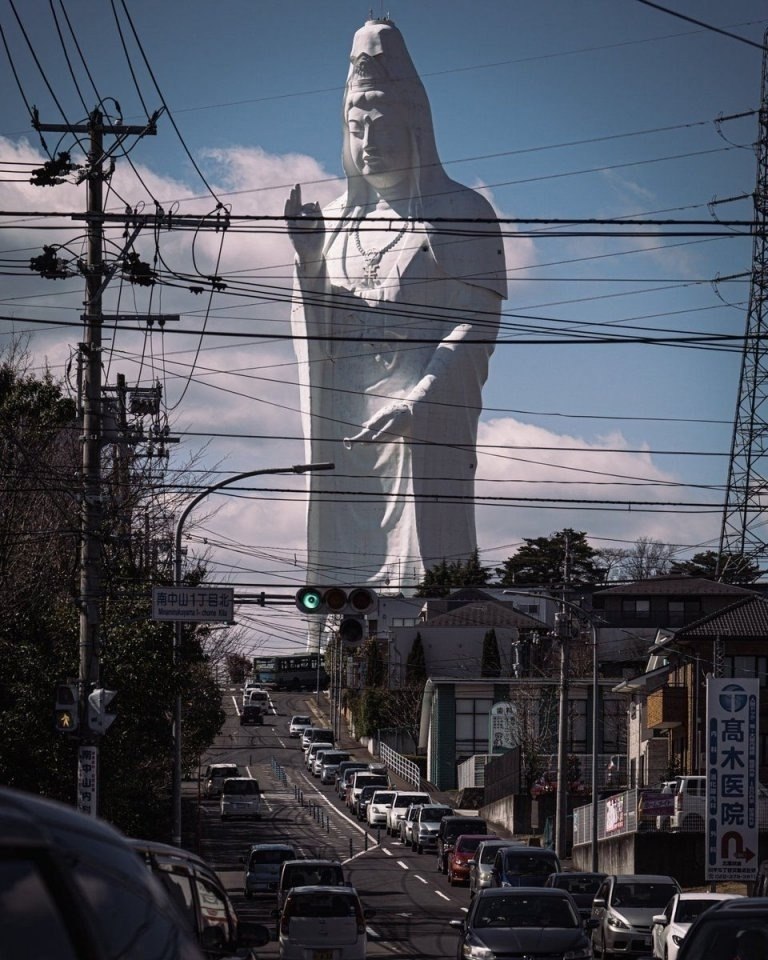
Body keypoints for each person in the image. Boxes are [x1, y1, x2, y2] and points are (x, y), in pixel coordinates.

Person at [286, 18, 507, 591]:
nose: (369, 143)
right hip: (343, 420)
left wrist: (420, 401)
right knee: (339, 543)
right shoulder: (333, 219)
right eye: (356, 128)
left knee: (420, 534)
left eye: (382, 126)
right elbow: (316, 321)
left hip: (415, 419)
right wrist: (310, 260)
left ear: (416, 127)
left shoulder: (461, 212)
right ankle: (339, 639)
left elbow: (475, 323)